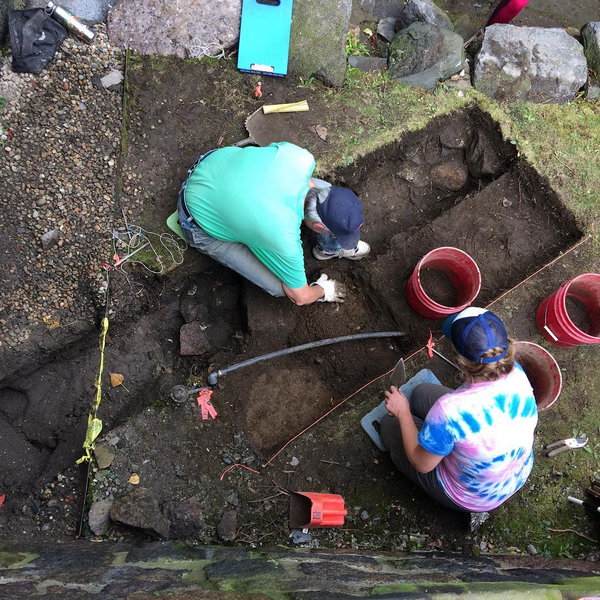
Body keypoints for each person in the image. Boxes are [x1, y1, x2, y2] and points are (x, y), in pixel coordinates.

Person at [381, 307, 538, 513]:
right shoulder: (517, 373)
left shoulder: (449, 411)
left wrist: (402, 413)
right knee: (421, 393)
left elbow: (421, 463)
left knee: (389, 424)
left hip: (472, 495)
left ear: (461, 361)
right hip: (509, 474)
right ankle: (439, 441)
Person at [177, 142, 370, 306]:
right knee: (282, 287)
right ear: (319, 227)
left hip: (215, 163)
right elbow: (301, 297)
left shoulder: (300, 158)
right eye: (333, 233)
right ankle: (326, 244)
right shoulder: (283, 238)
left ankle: (328, 249)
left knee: (322, 193)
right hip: (195, 218)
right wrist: (323, 290)